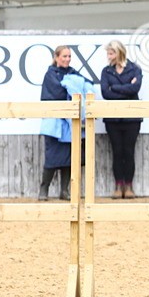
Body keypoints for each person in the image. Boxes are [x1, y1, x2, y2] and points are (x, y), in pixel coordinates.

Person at [39, 45, 96, 200]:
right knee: (52, 157)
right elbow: (56, 91)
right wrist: (71, 85)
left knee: (70, 157)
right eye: (64, 56)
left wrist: (77, 86)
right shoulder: (50, 74)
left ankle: (64, 191)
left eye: (69, 56)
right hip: (55, 123)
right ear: (56, 57)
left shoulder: (72, 73)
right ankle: (44, 189)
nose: (67, 59)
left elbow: (85, 84)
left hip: (71, 123)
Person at [100, 40, 144, 199]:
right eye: (108, 53)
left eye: (111, 53)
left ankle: (129, 186)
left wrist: (116, 88)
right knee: (117, 152)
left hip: (132, 118)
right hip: (113, 119)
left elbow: (135, 89)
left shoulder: (134, 69)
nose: (109, 56)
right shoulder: (106, 71)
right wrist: (126, 88)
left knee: (129, 152)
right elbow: (106, 93)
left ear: (119, 53)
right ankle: (118, 186)